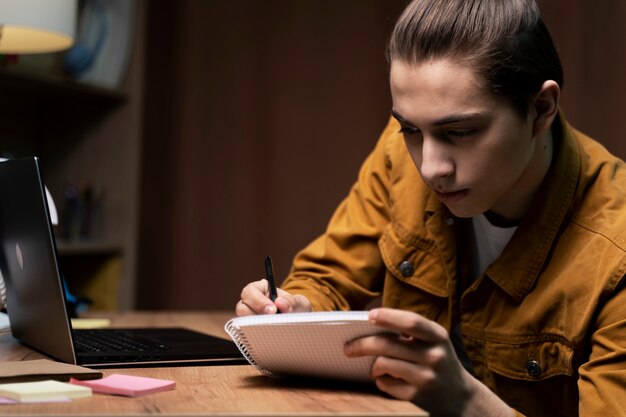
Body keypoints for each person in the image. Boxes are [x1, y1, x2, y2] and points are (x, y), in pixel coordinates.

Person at [236, 0, 626, 416]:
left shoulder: (616, 255)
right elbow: (327, 278)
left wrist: (465, 401)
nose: (429, 167)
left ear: (541, 109)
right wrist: (296, 308)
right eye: (410, 129)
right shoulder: (402, 152)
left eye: (459, 132)